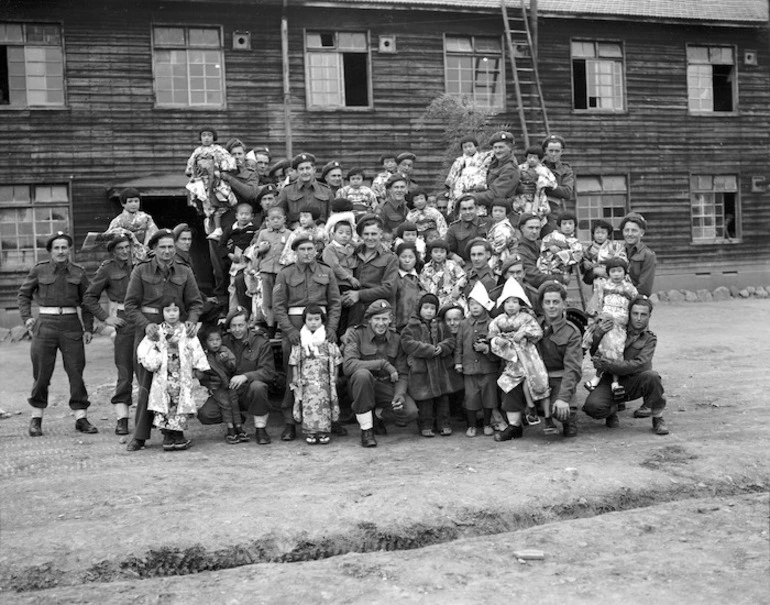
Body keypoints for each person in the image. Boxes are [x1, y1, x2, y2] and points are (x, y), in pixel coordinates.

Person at [123, 229, 203, 451]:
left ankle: (173, 433)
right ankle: (140, 436)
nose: (167, 251)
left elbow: (196, 303)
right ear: (154, 249)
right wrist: (146, 324)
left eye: (170, 247)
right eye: (162, 247)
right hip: (149, 332)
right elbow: (130, 305)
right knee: (147, 383)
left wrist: (191, 321)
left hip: (175, 334)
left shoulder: (184, 272)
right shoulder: (141, 271)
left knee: (174, 383)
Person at [18, 232, 97, 437]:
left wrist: (88, 327)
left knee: (75, 372)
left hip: (71, 325)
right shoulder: (39, 269)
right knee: (42, 373)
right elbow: (24, 294)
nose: (61, 251)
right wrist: (27, 318)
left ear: (69, 250)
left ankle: (81, 418)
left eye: (64, 247)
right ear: (50, 251)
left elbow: (88, 302)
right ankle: (36, 418)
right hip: (45, 325)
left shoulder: (79, 272)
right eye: (57, 248)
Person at [273, 235, 342, 441]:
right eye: (302, 249)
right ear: (295, 251)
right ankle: (290, 422)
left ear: (316, 251)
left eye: (310, 249)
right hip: (294, 328)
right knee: (293, 376)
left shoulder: (326, 271)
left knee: (326, 374)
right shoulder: (285, 274)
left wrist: (331, 327)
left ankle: (330, 420)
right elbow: (278, 306)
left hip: (321, 327)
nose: (306, 253)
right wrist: (289, 330)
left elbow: (335, 302)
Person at [496, 281, 582, 441]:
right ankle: (514, 426)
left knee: (562, 410)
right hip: (530, 373)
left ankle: (566, 419)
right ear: (541, 305)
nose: (551, 306)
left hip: (557, 378)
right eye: (547, 302)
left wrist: (563, 398)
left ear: (564, 303)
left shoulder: (572, 332)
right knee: (510, 384)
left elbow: (573, 369)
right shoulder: (531, 324)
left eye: (556, 302)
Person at [583, 296, 669, 435]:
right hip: (610, 379)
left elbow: (640, 364)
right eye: (635, 314)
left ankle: (658, 418)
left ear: (649, 316)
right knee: (592, 408)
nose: (639, 318)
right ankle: (612, 410)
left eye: (643, 314)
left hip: (634, 380)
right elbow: (595, 353)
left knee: (653, 377)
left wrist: (609, 365)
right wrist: (598, 335)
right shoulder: (615, 330)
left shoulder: (649, 338)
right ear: (629, 314)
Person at [342, 299, 419, 447]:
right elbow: (349, 365)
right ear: (369, 320)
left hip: (385, 386)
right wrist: (382, 364)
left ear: (390, 320)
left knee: (410, 411)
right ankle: (367, 430)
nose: (381, 323)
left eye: (385, 319)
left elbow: (402, 372)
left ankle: (377, 415)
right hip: (361, 386)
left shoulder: (396, 338)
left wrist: (399, 394)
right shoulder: (356, 334)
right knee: (362, 374)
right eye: (377, 319)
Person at [136, 298, 209, 451]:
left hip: (181, 375)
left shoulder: (186, 330)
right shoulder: (157, 331)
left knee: (179, 403)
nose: (171, 314)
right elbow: (143, 350)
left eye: (175, 310)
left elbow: (195, 348)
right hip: (164, 375)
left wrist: (198, 367)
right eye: (168, 311)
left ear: (180, 313)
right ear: (162, 313)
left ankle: (179, 436)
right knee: (165, 404)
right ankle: (168, 436)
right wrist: (154, 355)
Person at [197, 306, 276, 444]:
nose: (237, 329)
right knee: (206, 414)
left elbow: (268, 372)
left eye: (240, 325)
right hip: (226, 391)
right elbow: (208, 365)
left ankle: (260, 429)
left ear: (248, 324)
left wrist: (246, 376)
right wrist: (210, 382)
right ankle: (236, 420)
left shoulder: (260, 342)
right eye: (233, 326)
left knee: (258, 387)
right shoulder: (222, 341)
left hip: (249, 390)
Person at [82, 234, 135, 435]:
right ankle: (122, 419)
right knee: (124, 372)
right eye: (120, 248)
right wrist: (106, 318)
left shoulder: (140, 264)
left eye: (126, 247)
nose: (124, 251)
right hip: (123, 320)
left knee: (149, 369)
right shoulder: (107, 269)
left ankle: (152, 416)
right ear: (113, 251)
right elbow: (89, 297)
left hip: (144, 319)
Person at [489, 278, 552, 434]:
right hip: (511, 359)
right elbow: (491, 336)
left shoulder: (527, 318)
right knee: (510, 386)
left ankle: (545, 417)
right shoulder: (498, 320)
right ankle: (515, 423)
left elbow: (538, 333)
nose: (511, 305)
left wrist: (524, 333)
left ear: (521, 303)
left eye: (515, 301)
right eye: (508, 301)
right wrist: (498, 340)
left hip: (528, 356)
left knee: (538, 383)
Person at [401, 293, 455, 437]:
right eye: (426, 307)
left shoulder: (442, 325)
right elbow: (407, 344)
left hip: (440, 370)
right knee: (425, 400)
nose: (429, 311)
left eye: (432, 308)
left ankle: (444, 424)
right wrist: (429, 349)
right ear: (419, 309)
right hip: (422, 370)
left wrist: (442, 347)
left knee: (443, 400)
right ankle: (426, 425)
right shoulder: (411, 327)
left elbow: (451, 341)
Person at [288, 305, 343, 445]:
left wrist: (335, 374)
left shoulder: (327, 339)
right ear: (304, 320)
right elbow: (294, 359)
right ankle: (310, 432)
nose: (313, 322)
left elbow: (336, 358)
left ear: (322, 320)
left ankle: (324, 431)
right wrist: (295, 376)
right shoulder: (300, 340)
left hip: (324, 379)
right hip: (306, 379)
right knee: (307, 405)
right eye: (310, 319)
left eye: (317, 319)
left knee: (324, 405)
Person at [583, 257, 638, 395]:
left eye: (619, 271)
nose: (616, 274)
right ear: (608, 273)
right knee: (603, 349)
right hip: (606, 324)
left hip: (620, 325)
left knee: (617, 350)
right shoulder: (604, 287)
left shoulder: (630, 289)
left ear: (625, 272)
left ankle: (615, 381)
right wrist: (597, 318)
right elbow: (597, 305)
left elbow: (635, 306)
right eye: (613, 271)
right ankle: (598, 377)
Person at [454, 282, 499, 437]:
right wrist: (458, 362)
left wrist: (487, 349)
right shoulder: (463, 324)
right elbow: (458, 344)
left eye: (478, 304)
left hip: (488, 368)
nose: (475, 307)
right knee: (471, 397)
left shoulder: (492, 323)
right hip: (469, 368)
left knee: (489, 396)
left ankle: (487, 423)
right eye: (472, 304)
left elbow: (498, 346)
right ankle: (472, 425)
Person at [343, 215, 399, 327]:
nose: (370, 238)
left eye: (373, 234)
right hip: (354, 312)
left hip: (379, 314)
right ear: (361, 235)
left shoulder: (390, 258)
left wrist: (360, 294)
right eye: (366, 234)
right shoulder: (353, 253)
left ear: (381, 234)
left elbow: (389, 288)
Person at [196, 323, 247, 444]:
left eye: (218, 340)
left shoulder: (225, 351)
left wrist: (226, 361)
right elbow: (202, 375)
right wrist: (207, 381)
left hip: (230, 384)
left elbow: (233, 367)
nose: (215, 343)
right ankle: (230, 429)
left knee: (234, 405)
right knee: (225, 406)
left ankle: (239, 427)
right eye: (211, 340)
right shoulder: (205, 356)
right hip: (217, 387)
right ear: (206, 342)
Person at [185, 127, 237, 241]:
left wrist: (221, 166)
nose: (207, 138)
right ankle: (210, 223)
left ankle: (218, 227)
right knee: (205, 204)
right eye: (204, 135)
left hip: (215, 181)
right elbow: (189, 168)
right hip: (202, 182)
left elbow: (230, 163)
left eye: (209, 135)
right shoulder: (197, 151)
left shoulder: (218, 150)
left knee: (219, 202)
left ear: (214, 137)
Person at [248, 205, 290, 337]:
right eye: (273, 218)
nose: (276, 221)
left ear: (284, 219)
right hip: (266, 271)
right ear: (267, 220)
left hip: (282, 272)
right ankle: (271, 329)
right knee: (268, 302)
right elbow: (255, 251)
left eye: (278, 218)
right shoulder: (263, 233)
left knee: (282, 300)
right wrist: (260, 250)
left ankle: (283, 328)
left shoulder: (289, 234)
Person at [517, 212, 567, 313]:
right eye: (530, 228)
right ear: (522, 228)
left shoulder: (541, 244)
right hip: (532, 297)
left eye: (537, 228)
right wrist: (561, 278)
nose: (534, 231)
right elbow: (534, 277)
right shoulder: (520, 250)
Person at [321, 219, 359, 337]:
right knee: (338, 312)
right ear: (333, 235)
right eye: (341, 232)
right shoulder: (330, 248)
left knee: (348, 314)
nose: (344, 236)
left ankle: (344, 336)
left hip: (348, 286)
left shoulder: (351, 249)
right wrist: (349, 278)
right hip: (337, 284)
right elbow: (334, 266)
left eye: (348, 233)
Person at [220, 202, 259, 310]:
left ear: (252, 216)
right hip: (235, 262)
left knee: (250, 286)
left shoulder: (255, 229)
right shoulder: (230, 229)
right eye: (241, 214)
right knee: (233, 286)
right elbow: (221, 245)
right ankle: (233, 312)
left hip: (249, 262)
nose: (244, 217)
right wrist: (229, 255)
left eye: (247, 214)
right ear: (236, 216)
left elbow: (257, 244)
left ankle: (251, 313)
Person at [275, 153, 332, 227]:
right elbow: (279, 214)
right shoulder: (286, 191)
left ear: (314, 170)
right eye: (301, 169)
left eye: (307, 168)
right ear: (297, 171)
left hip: (320, 233)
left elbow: (332, 216)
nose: (305, 172)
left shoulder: (326, 191)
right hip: (295, 233)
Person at [444, 135, 494, 215]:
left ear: (476, 146)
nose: (468, 149)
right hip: (461, 190)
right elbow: (451, 178)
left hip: (478, 190)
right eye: (465, 147)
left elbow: (494, 153)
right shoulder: (459, 161)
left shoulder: (484, 158)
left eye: (470, 146)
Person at [106, 188, 159, 262]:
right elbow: (108, 238)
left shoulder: (146, 218)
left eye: (136, 201)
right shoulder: (118, 221)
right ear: (123, 204)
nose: (133, 204)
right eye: (130, 201)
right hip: (124, 254)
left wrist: (151, 249)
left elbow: (154, 235)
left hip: (144, 253)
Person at [471, 131, 520, 211]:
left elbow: (495, 195)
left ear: (510, 148)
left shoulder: (510, 168)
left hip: (501, 212)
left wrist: (471, 196)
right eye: (495, 147)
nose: (497, 151)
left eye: (501, 147)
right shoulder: (493, 162)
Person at [540, 134, 575, 236]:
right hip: (534, 209)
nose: (554, 154)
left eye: (557, 151)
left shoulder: (565, 170)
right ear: (545, 151)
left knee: (552, 240)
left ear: (562, 152)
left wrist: (546, 187)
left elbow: (567, 192)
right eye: (551, 151)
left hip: (553, 211)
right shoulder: (538, 167)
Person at [513, 145, 557, 223]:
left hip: (538, 195)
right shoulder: (520, 168)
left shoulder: (544, 170)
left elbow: (553, 183)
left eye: (535, 158)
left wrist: (542, 184)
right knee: (522, 214)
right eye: (530, 157)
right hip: (523, 195)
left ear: (539, 159)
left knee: (539, 214)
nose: (532, 160)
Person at [419, 238, 466, 309]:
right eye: (436, 252)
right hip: (434, 301)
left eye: (442, 252)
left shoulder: (452, 265)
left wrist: (457, 288)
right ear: (430, 253)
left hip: (453, 299)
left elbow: (463, 277)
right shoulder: (426, 268)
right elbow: (423, 284)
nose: (439, 254)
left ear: (446, 253)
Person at [537, 212, 583, 280]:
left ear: (575, 225)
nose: (567, 226)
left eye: (570, 223)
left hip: (563, 272)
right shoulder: (551, 236)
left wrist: (558, 255)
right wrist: (550, 247)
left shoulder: (575, 242)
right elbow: (544, 246)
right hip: (545, 269)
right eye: (564, 223)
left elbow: (577, 255)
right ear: (559, 225)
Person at [620, 212, 657, 297]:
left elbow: (644, 289)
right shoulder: (617, 251)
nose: (629, 234)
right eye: (626, 230)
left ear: (642, 233)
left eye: (634, 231)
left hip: (636, 302)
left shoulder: (648, 255)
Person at [446, 195, 489, 265]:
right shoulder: (454, 228)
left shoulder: (488, 223)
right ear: (460, 210)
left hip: (487, 264)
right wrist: (453, 256)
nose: (467, 212)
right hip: (465, 264)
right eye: (464, 209)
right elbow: (446, 249)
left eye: (470, 208)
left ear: (476, 208)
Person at [393, 242, 424, 331]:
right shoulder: (393, 277)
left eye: (410, 257)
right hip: (399, 325)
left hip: (418, 325)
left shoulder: (422, 277)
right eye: (403, 257)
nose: (407, 260)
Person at [486, 199, 519, 276]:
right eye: (495, 211)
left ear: (506, 213)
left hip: (500, 257)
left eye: (501, 211)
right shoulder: (496, 224)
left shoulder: (503, 228)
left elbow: (499, 247)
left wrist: (486, 246)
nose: (497, 213)